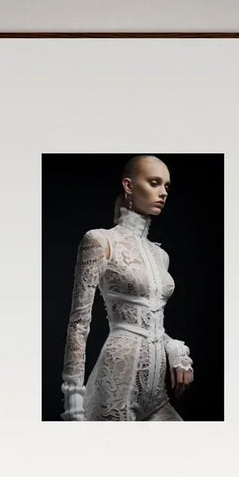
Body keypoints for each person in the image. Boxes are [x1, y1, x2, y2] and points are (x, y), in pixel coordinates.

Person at [59, 155, 195, 421]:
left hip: (157, 392)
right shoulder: (100, 240)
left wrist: (175, 350)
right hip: (116, 383)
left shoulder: (160, 255)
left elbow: (150, 320)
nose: (162, 193)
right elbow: (79, 323)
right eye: (154, 183)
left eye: (166, 186)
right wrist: (73, 400)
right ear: (129, 186)